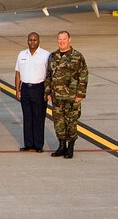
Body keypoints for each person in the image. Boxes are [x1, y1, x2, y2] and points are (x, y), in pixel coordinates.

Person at [47, 31, 88, 159]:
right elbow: (49, 75)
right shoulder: (53, 56)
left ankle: (70, 147)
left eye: (64, 39)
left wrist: (80, 94)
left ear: (69, 40)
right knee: (58, 121)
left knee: (71, 121)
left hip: (71, 96)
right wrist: (48, 92)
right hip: (56, 96)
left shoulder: (77, 56)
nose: (62, 41)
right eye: (60, 39)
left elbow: (83, 75)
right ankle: (61, 145)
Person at [15, 32, 50, 152]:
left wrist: (47, 92)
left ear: (39, 41)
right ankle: (28, 144)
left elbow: (49, 75)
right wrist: (17, 90)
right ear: (27, 41)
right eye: (30, 40)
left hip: (39, 89)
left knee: (39, 118)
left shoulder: (45, 55)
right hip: (25, 89)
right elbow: (18, 73)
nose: (32, 42)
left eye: (35, 40)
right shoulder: (21, 54)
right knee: (27, 117)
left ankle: (38, 145)